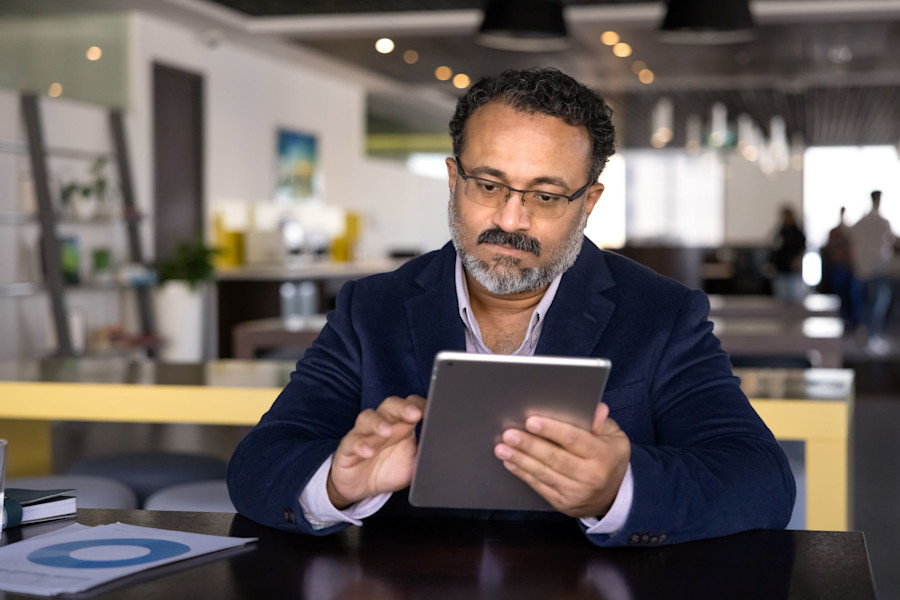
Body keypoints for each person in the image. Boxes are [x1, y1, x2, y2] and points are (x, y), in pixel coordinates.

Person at [227, 68, 795, 547]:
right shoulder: (371, 307)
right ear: (453, 179)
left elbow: (761, 481)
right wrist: (336, 484)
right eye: (489, 184)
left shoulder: (663, 314)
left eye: (545, 196)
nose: (511, 220)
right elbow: (258, 465)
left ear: (588, 201)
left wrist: (617, 489)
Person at [850, 190, 896, 353]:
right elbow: (893, 240)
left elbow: (852, 238)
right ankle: (871, 336)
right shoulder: (882, 222)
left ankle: (865, 333)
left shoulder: (862, 222)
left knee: (866, 303)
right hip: (876, 268)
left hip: (864, 268)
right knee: (876, 303)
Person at [823, 206, 860, 330]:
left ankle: (851, 323)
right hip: (838, 268)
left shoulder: (850, 231)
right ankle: (841, 321)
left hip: (848, 268)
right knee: (840, 298)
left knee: (851, 298)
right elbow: (829, 248)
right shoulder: (835, 232)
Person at [769, 206, 807, 303]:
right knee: (781, 299)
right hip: (781, 270)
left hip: (793, 271)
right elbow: (773, 246)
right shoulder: (780, 231)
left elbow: (802, 248)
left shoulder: (797, 233)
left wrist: (797, 261)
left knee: (794, 298)